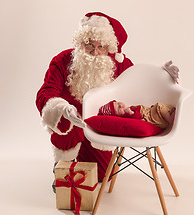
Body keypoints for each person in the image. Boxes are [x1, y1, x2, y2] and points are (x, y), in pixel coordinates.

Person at [35, 12, 179, 188]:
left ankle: (86, 159)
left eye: (101, 47)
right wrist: (61, 108)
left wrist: (163, 75)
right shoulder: (62, 60)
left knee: (102, 176)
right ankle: (63, 165)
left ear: (108, 47)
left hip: (100, 127)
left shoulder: (117, 63)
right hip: (71, 127)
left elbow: (140, 81)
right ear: (81, 42)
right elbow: (46, 92)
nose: (95, 52)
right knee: (66, 125)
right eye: (89, 45)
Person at [98, 100, 176, 129]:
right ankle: (169, 118)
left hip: (153, 113)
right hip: (153, 118)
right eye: (118, 109)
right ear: (117, 116)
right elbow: (138, 117)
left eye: (118, 103)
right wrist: (131, 113)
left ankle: (169, 113)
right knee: (159, 106)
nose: (121, 105)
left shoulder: (129, 108)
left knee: (160, 106)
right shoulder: (126, 116)